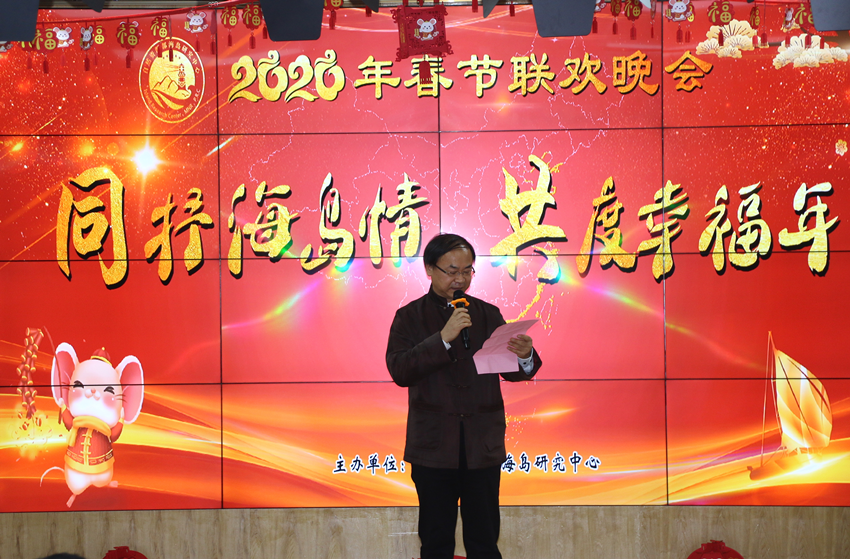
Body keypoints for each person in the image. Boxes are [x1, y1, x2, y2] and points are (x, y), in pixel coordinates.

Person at [386, 233, 542, 559]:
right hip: (433, 448)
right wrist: (443, 338)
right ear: (430, 269)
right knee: (436, 542)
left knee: (484, 541)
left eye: (467, 271)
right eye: (451, 271)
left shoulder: (487, 314)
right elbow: (400, 370)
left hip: (481, 446)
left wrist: (525, 355)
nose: (460, 279)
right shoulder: (409, 317)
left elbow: (513, 371)